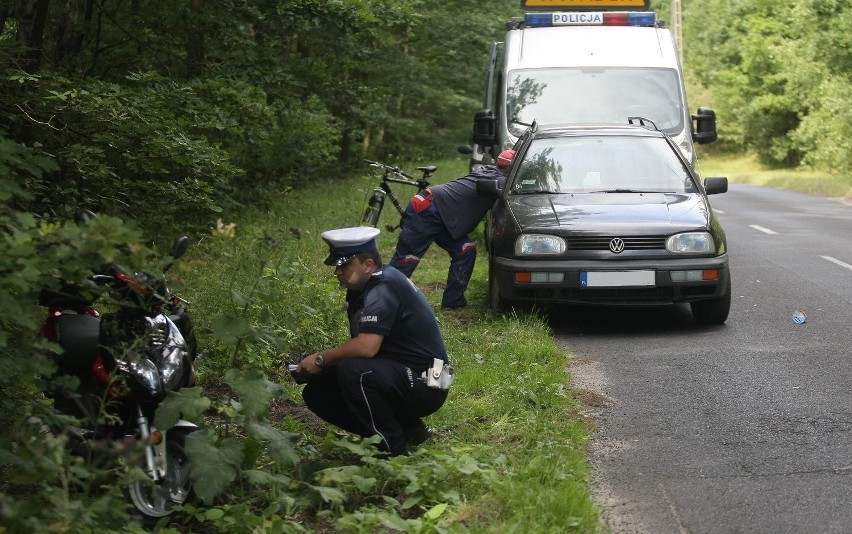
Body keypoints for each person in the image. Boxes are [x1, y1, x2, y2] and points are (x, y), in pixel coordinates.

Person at [295, 226, 451, 456]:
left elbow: (366, 348)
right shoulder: (361, 289)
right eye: (337, 266)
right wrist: (323, 369)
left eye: (344, 265)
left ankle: (391, 451)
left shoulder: (383, 287)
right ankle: (409, 429)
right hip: (406, 374)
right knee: (317, 393)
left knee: (355, 372)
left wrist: (320, 359)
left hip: (431, 383)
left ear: (368, 265)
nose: (337, 272)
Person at [390, 149, 515, 309]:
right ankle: (372, 297)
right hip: (428, 209)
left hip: (442, 214)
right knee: (406, 258)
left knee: (465, 251)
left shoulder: (488, 170)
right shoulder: (498, 180)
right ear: (510, 169)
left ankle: (453, 302)